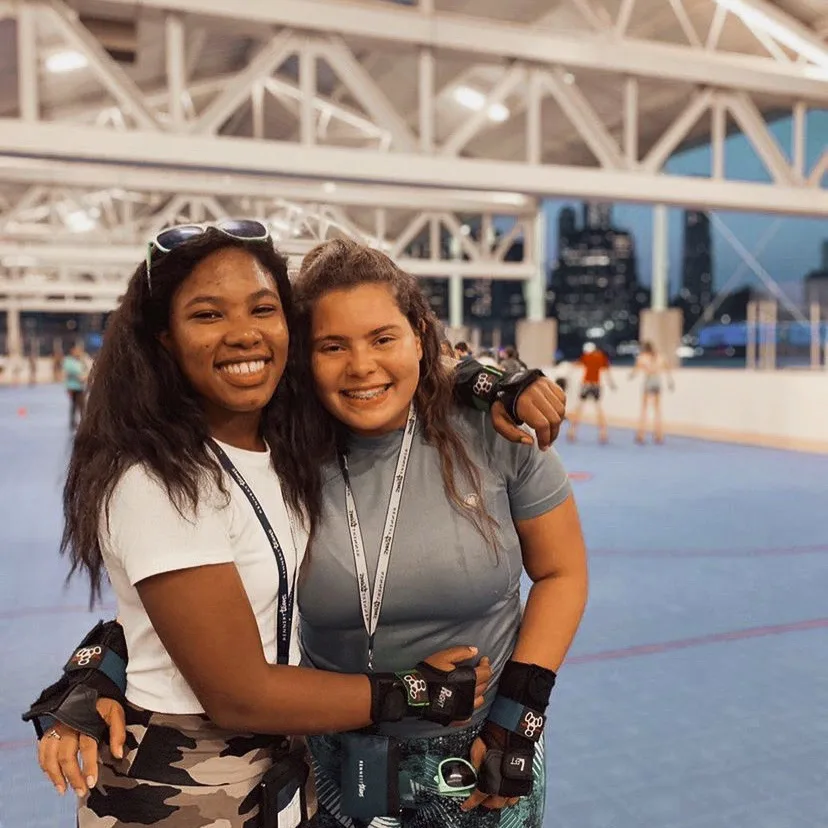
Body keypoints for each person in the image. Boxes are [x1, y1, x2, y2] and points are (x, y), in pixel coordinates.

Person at [25, 225, 570, 826]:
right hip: (320, 754)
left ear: (420, 336)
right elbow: (205, 619)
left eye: (383, 338)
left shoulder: (498, 432)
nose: (362, 366)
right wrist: (97, 671)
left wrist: (518, 717)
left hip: (476, 752)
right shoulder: (293, 448)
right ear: (305, 355)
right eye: (332, 346)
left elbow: (562, 573)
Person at [566, 342, 615, 444]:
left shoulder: (587, 356)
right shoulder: (602, 356)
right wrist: (612, 384)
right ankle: (603, 433)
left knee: (579, 408)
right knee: (599, 409)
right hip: (596, 385)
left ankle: (572, 432)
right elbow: (607, 371)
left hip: (586, 384)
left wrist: (569, 366)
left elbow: (578, 364)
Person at [629, 341, 674, 444]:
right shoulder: (660, 356)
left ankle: (641, 434)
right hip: (657, 382)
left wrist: (631, 375)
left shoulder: (643, 357)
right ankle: (659, 435)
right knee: (657, 410)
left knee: (644, 409)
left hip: (648, 381)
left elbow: (636, 369)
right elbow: (667, 369)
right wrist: (670, 382)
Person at [63, 344, 88, 429]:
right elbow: (69, 371)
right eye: (77, 351)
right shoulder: (68, 361)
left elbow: (85, 369)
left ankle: (84, 421)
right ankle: (73, 422)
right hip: (72, 386)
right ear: (72, 351)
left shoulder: (80, 361)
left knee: (82, 405)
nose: (78, 353)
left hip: (80, 386)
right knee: (75, 405)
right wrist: (80, 376)